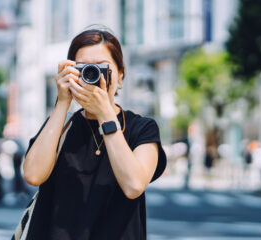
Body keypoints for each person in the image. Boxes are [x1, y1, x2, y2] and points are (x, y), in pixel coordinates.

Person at [21, 27, 167, 240]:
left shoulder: (141, 128)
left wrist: (105, 114)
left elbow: (134, 185)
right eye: (84, 68)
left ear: (120, 74)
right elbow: (33, 175)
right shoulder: (60, 127)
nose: (92, 74)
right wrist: (63, 102)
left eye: (101, 67)